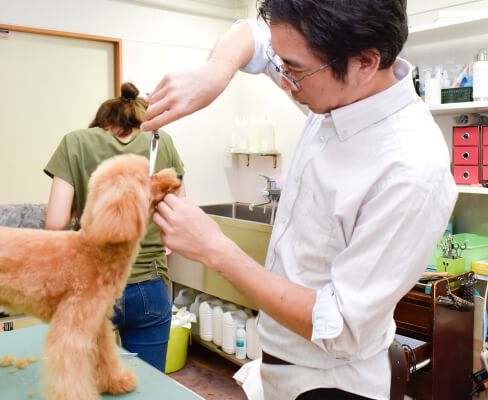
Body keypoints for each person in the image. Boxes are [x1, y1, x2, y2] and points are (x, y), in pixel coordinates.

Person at [142, 1, 457, 399]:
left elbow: (337, 325)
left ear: (364, 62)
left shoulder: (410, 169)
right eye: (283, 65)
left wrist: (215, 249)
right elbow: (252, 37)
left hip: (331, 386)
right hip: (279, 368)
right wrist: (214, 73)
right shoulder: (338, 92)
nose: (286, 81)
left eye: (295, 69)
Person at [44, 82, 185, 371]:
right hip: (149, 282)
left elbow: (55, 222)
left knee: (90, 380)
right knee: (149, 383)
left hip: (93, 283)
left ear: (102, 119)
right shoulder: (161, 141)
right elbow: (181, 214)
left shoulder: (75, 142)